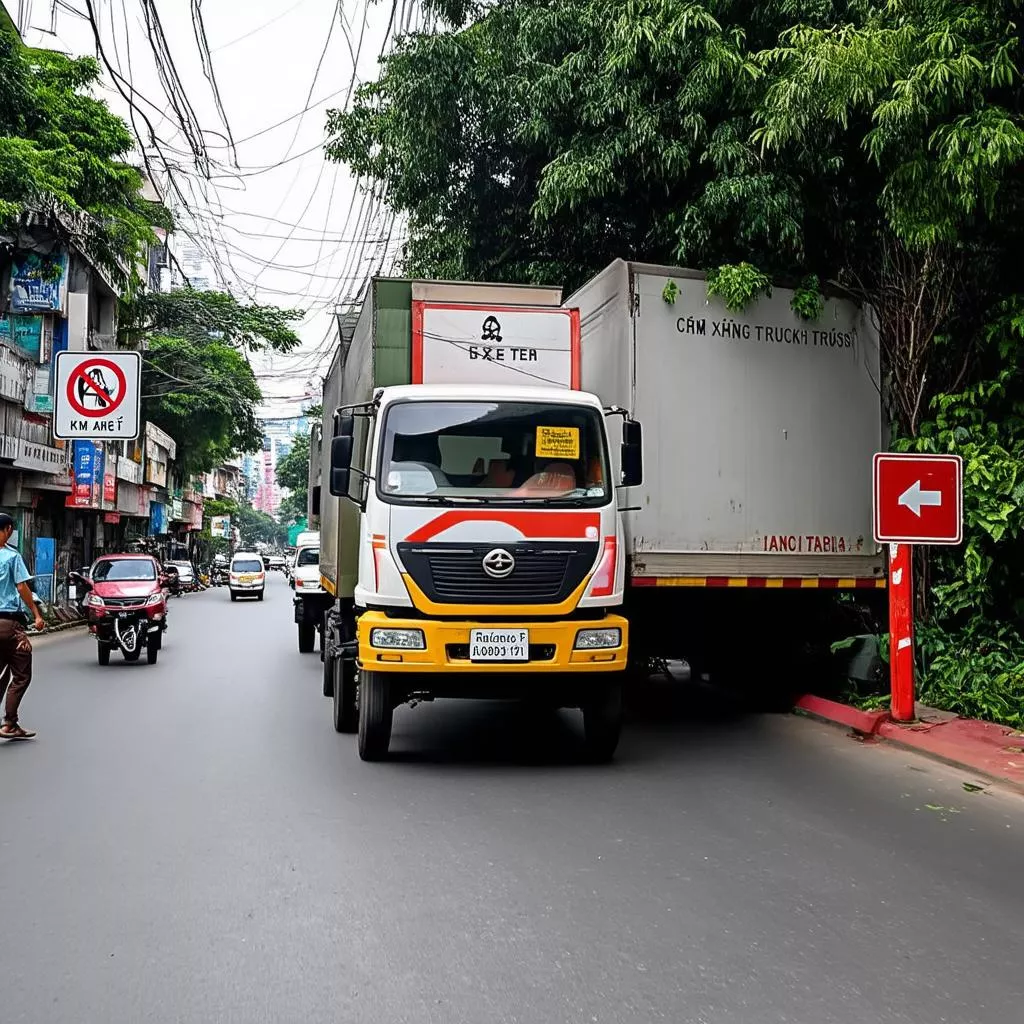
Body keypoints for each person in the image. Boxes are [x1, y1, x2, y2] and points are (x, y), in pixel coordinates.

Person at [0, 512, 45, 740]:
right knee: (21, 674)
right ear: (8, 529)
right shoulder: (11, 556)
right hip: (8, 625)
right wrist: (36, 614)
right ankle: (9, 723)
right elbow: (22, 588)